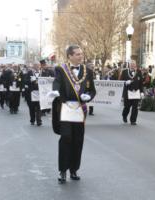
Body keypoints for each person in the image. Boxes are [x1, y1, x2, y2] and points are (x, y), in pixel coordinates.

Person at [51, 45, 96, 184]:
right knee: (66, 138)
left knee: (78, 140)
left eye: (81, 54)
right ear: (69, 56)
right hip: (65, 108)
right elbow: (57, 83)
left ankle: (74, 169)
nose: (80, 56)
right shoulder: (61, 69)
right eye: (77, 54)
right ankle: (62, 170)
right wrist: (56, 91)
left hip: (79, 109)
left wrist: (88, 96)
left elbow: (91, 89)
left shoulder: (87, 71)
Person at [119, 60, 143, 125]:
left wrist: (141, 92)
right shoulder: (124, 71)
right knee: (127, 106)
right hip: (127, 92)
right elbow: (120, 82)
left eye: (134, 64)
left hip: (136, 92)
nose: (132, 65)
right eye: (131, 64)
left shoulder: (139, 72)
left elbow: (141, 83)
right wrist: (125, 82)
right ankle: (124, 115)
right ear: (129, 65)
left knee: (135, 107)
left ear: (135, 65)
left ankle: (133, 120)